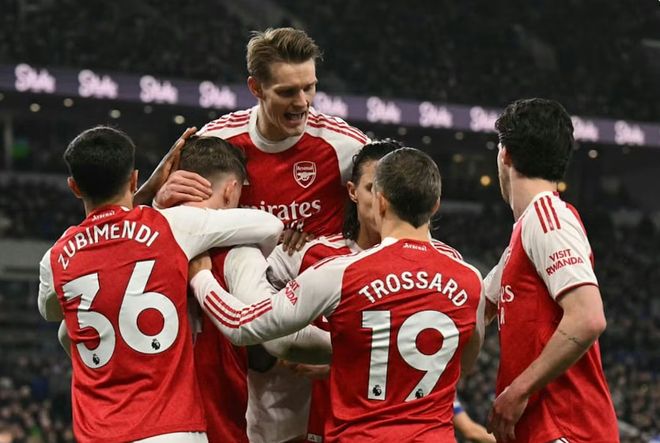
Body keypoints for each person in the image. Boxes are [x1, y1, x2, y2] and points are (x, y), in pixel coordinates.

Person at [188, 147, 486, 442]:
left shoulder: (342, 272)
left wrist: (202, 277)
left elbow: (243, 325)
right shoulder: (470, 278)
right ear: (435, 205)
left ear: (381, 201)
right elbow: (463, 363)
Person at [37, 126, 283, 443]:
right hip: (171, 428)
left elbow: (53, 312)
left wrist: (143, 200)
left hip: (99, 433)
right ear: (134, 179)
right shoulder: (170, 225)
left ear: (74, 187)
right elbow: (270, 226)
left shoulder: (56, 257)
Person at [266, 140, 465, 442]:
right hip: (317, 427)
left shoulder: (447, 264)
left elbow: (448, 354)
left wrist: (341, 365)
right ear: (352, 192)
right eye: (372, 187)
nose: (383, 198)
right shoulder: (310, 254)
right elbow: (262, 319)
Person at [159, 27, 368, 251]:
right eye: (287, 92)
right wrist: (159, 202)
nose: (302, 102)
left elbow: (389, 208)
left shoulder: (345, 144)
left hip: (321, 270)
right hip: (231, 271)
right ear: (256, 88)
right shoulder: (217, 140)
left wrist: (329, 237)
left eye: (309, 88)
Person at [484, 98, 618, 442]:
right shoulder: (525, 232)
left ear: (505, 155)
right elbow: (474, 307)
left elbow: (588, 318)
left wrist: (518, 391)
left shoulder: (548, 218)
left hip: (568, 429)